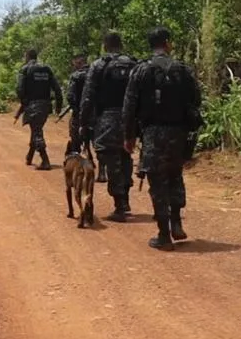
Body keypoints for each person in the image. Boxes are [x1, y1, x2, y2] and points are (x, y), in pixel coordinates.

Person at [123, 26, 202, 251]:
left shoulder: (141, 70)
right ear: (167, 43)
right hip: (179, 134)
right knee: (175, 175)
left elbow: (129, 106)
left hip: (152, 134)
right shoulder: (182, 70)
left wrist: (128, 136)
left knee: (157, 182)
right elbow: (196, 99)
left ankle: (164, 235)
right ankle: (176, 221)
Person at [79, 32, 137, 222]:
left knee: (110, 157)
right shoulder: (133, 64)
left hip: (108, 118)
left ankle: (120, 204)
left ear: (105, 45)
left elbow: (88, 96)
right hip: (130, 118)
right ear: (121, 44)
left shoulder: (99, 65)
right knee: (125, 154)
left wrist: (83, 122)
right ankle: (125, 198)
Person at [17, 48, 63, 170]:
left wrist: (23, 102)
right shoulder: (47, 69)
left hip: (33, 105)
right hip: (45, 106)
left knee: (37, 132)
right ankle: (30, 156)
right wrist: (59, 105)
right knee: (36, 129)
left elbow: (20, 89)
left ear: (27, 57)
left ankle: (45, 160)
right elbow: (57, 88)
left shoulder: (25, 69)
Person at [65, 53, 89, 155]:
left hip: (80, 112)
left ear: (79, 63)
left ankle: (76, 155)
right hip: (97, 114)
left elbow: (70, 96)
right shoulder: (96, 72)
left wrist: (75, 110)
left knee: (74, 135)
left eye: (75, 65)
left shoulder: (76, 76)